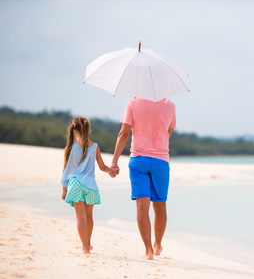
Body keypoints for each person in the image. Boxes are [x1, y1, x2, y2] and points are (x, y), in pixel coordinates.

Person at [111, 98, 176, 260]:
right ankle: (157, 244)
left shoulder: (133, 104)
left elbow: (123, 133)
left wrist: (114, 161)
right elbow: (168, 132)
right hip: (160, 161)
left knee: (142, 206)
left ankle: (148, 251)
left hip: (138, 160)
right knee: (160, 205)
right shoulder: (170, 105)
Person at [61, 117, 118, 254]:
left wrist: (64, 189)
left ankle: (85, 248)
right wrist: (112, 171)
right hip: (91, 186)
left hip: (75, 185)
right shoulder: (95, 147)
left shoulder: (71, 147)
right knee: (89, 216)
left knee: (80, 217)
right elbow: (102, 166)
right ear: (89, 130)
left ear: (74, 131)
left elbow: (66, 169)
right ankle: (88, 242)